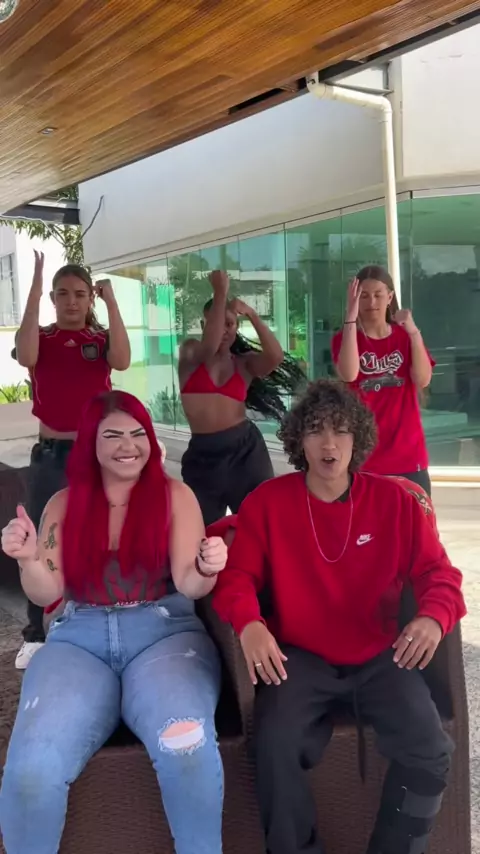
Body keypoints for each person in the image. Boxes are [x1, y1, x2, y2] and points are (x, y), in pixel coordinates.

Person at [213, 379, 466, 854]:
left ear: (358, 438)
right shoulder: (268, 502)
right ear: (299, 440)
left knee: (431, 749)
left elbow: (440, 574)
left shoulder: (395, 502)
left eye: (341, 430)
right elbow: (236, 577)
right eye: (316, 430)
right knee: (273, 745)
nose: (329, 443)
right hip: (300, 658)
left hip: (382, 654)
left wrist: (433, 617)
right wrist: (249, 624)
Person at [0, 390, 227, 854]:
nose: (128, 445)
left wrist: (208, 567)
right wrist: (27, 558)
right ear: (91, 442)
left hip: (165, 635)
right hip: (77, 639)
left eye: (138, 433)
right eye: (113, 435)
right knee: (31, 770)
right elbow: (46, 591)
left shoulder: (174, 496)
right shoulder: (64, 504)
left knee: (186, 746)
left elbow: (190, 584)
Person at [12, 250, 131, 669]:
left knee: (103, 535)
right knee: (42, 539)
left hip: (95, 455)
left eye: (80, 294)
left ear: (89, 299)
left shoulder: (98, 341)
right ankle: (36, 633)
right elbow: (25, 355)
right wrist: (34, 285)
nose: (71, 301)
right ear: (53, 299)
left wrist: (111, 301)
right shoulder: (42, 338)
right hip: (51, 456)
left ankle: (98, 616)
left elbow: (123, 360)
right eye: (62, 293)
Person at [179, 270, 305, 526]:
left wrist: (252, 314)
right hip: (203, 455)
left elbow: (275, 357)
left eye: (231, 324)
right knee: (201, 528)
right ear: (204, 325)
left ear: (237, 328)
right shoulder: (191, 353)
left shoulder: (244, 364)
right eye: (217, 322)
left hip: (244, 450)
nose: (224, 330)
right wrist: (220, 293)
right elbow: (210, 346)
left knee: (259, 521)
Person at [331, 265, 435, 495]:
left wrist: (413, 332)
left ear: (389, 297)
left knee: (416, 518)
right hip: (365, 458)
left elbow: (423, 379)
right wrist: (350, 317)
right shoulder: (345, 338)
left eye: (378, 295)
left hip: (408, 456)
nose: (371, 302)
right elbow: (349, 374)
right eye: (364, 296)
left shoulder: (405, 336)